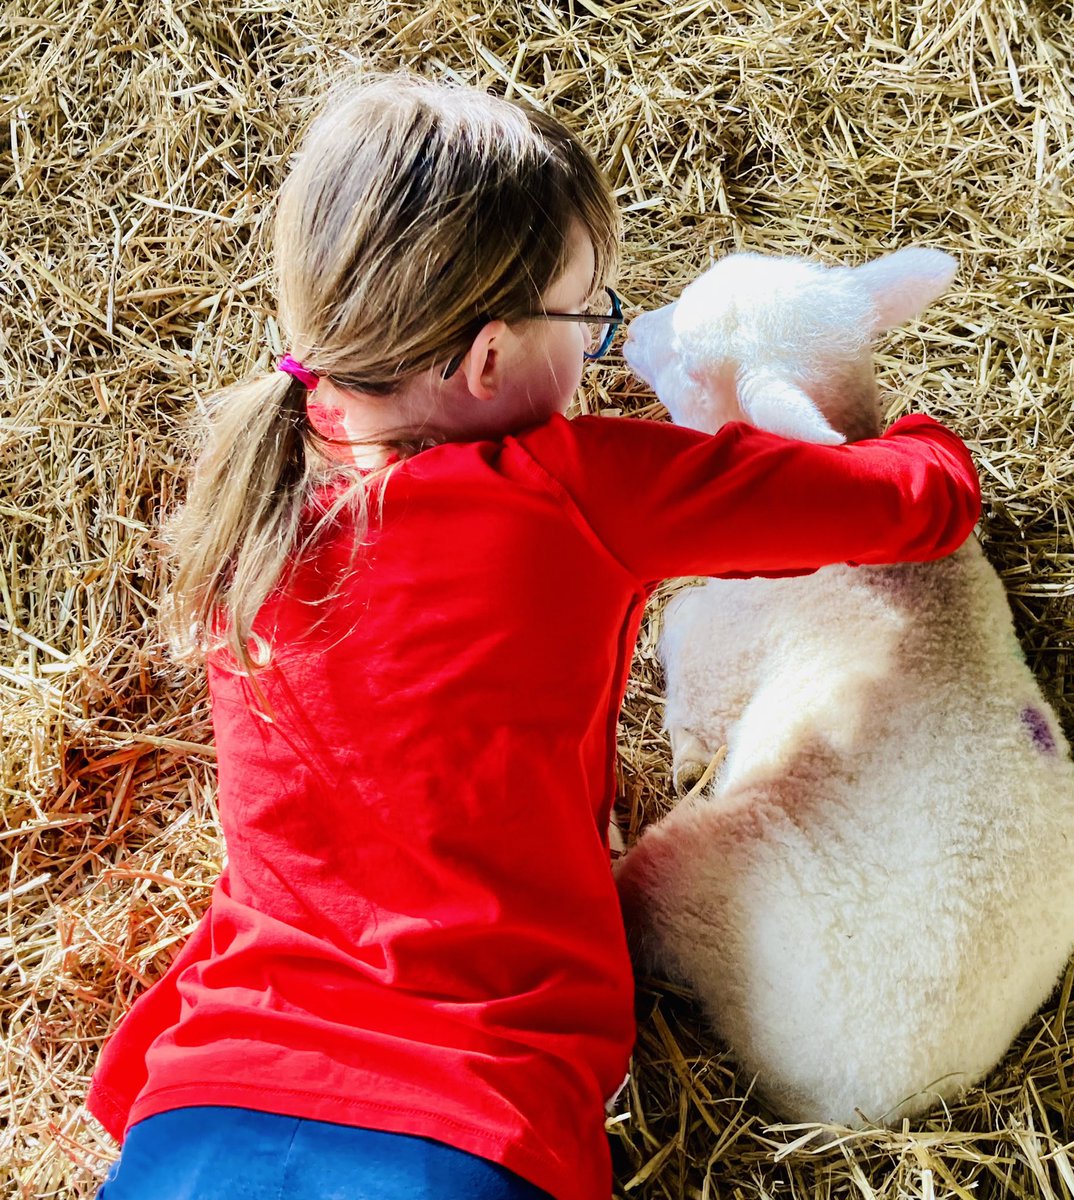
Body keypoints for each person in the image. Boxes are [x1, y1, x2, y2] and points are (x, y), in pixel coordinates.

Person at [87, 73, 981, 1200]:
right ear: (489, 360)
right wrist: (917, 429)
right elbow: (918, 505)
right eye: (591, 315)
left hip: (208, 1099)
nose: (603, 343)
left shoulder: (253, 487)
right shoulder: (575, 486)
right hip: (470, 1105)